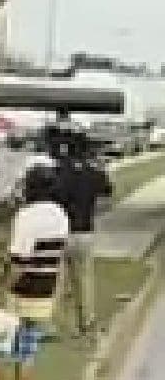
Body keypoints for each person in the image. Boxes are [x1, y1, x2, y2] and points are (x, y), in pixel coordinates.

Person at [0, 173, 70, 380]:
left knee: (9, 349)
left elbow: (19, 261)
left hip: (23, 290)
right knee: (28, 349)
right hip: (46, 289)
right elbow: (60, 257)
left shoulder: (26, 217)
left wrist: (2, 291)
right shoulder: (60, 214)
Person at [53, 136, 113, 336]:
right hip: (85, 232)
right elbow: (107, 197)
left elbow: (54, 199)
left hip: (63, 232)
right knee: (85, 279)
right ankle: (86, 322)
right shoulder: (94, 173)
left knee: (59, 280)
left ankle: (56, 324)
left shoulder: (61, 173)